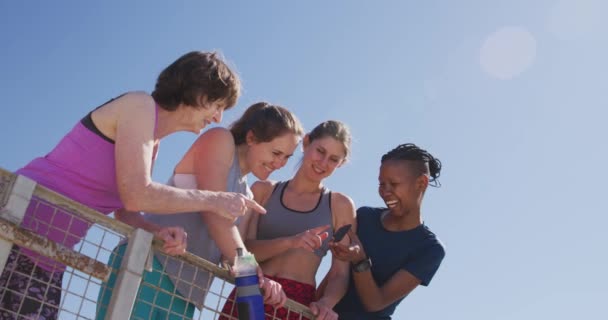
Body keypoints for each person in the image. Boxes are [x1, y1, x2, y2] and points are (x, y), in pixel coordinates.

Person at [0, 51, 266, 320]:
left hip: (45, 256)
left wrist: (156, 231)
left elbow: (126, 210)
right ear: (198, 91)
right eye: (217, 105)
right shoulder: (138, 105)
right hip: (12, 220)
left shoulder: (154, 144)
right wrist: (214, 199)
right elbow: (139, 193)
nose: (219, 117)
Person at [96, 102, 303, 319]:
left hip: (187, 294)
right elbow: (215, 214)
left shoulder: (247, 195)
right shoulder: (220, 140)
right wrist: (250, 269)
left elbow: (229, 253)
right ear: (251, 138)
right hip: (149, 266)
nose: (279, 163)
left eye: (287, 157)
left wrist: (262, 280)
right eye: (276, 152)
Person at [219, 120, 357, 320]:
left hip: (297, 302)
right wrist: (291, 242)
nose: (323, 163)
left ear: (341, 163)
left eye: (333, 159)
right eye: (320, 151)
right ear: (306, 142)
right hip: (252, 291)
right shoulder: (263, 191)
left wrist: (326, 303)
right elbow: (241, 250)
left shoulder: (340, 206)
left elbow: (340, 274)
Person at [330, 143, 446, 320]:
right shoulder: (364, 216)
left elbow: (375, 303)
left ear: (421, 183)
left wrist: (360, 261)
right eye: (381, 184)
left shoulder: (429, 249)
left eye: (394, 184)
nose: (385, 192)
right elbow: (336, 273)